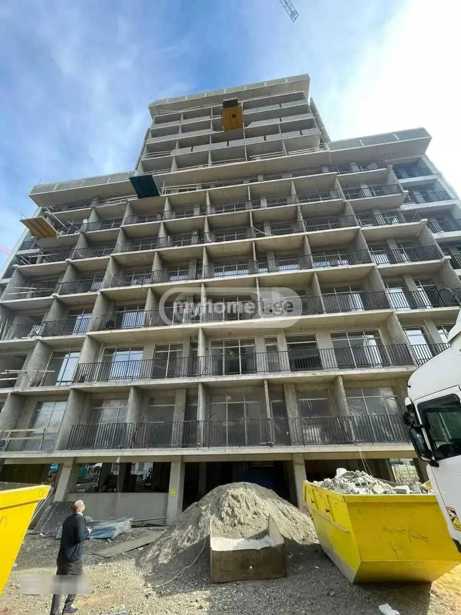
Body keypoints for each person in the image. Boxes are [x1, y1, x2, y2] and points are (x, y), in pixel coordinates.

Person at [50, 499, 90, 615]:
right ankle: (67, 607)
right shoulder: (80, 519)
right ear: (81, 507)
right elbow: (80, 537)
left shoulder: (67, 519)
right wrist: (88, 532)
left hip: (62, 556)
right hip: (73, 559)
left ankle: (54, 612)